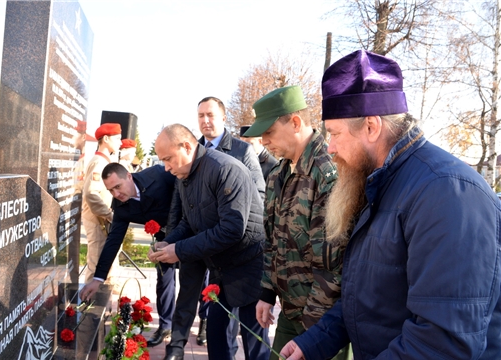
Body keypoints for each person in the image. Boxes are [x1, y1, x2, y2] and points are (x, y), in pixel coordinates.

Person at [281, 50, 501, 360]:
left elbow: (442, 343)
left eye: (334, 134)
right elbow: (368, 295)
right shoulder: (379, 182)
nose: (329, 147)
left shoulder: (447, 194)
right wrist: (315, 342)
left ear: (371, 126)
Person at [242, 86, 349, 360]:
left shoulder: (329, 173)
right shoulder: (278, 173)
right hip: (291, 311)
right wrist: (267, 292)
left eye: (269, 132)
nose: (263, 141)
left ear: (295, 122)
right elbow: (272, 240)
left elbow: (333, 264)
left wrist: (313, 336)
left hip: (323, 323)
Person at [150, 124, 269, 360]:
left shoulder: (225, 168)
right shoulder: (186, 173)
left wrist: (179, 250)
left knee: (255, 346)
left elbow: (232, 229)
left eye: (168, 159)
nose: (166, 167)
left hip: (248, 269)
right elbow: (189, 220)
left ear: (186, 146)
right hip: (219, 270)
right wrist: (168, 242)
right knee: (217, 341)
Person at [79, 163, 177, 342]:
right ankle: (166, 326)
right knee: (164, 278)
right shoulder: (121, 205)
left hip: (189, 227)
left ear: (129, 177)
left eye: (118, 186)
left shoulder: (158, 175)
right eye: (111, 190)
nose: (116, 194)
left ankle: (204, 320)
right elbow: (113, 241)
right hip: (163, 236)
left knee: (198, 278)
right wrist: (97, 279)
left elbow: (186, 189)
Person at [81, 123, 122, 284]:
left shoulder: (105, 160)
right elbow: (91, 194)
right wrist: (109, 215)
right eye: (117, 138)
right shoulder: (99, 162)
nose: (120, 142)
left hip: (103, 220)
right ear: (105, 139)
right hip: (97, 220)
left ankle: (103, 302)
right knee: (96, 264)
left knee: (107, 264)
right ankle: (90, 305)